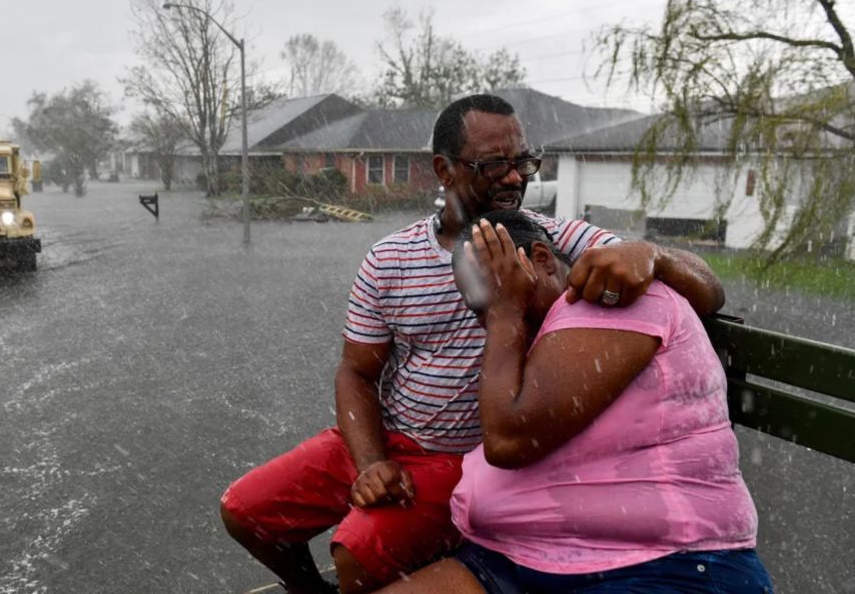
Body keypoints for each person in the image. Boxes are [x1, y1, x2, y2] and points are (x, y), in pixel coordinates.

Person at [220, 94, 727, 594]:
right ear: (444, 169)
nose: (515, 177)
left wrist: (653, 255)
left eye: (523, 161)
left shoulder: (544, 240)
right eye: (494, 164)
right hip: (386, 436)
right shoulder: (389, 259)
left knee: (356, 552)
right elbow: (356, 372)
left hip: (461, 460)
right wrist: (372, 461)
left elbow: (708, 289)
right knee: (246, 511)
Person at [375, 210, 773, 594]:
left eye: (499, 290)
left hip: (660, 564)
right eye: (479, 308)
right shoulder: (547, 327)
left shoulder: (606, 298)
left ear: (543, 260)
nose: (488, 320)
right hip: (522, 557)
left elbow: (510, 439)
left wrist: (504, 312)